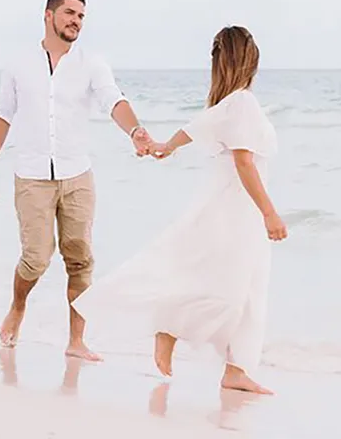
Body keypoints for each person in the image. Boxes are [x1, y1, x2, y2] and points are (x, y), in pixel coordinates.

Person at [71, 25, 287, 394]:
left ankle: (234, 367)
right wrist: (269, 211)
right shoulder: (242, 103)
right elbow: (244, 162)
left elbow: (194, 128)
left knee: (242, 287)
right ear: (250, 60)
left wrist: (166, 146)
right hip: (238, 211)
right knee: (236, 290)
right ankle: (172, 328)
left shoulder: (229, 103)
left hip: (232, 209)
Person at [0, 0, 153, 361]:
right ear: (49, 15)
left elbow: (112, 100)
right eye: (70, 13)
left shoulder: (92, 63)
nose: (76, 21)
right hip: (32, 175)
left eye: (82, 16)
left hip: (77, 174)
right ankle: (18, 307)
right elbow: (2, 114)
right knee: (36, 259)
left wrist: (135, 131)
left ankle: (76, 341)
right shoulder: (19, 64)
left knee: (80, 258)